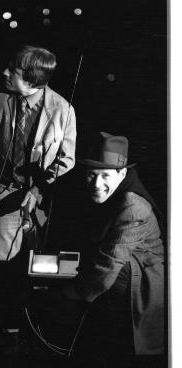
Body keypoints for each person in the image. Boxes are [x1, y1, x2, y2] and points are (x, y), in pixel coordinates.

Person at [0, 45, 76, 343]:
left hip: (41, 202)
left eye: (14, 71)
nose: (5, 73)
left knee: (38, 268)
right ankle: (9, 330)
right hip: (3, 195)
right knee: (3, 266)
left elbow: (66, 159)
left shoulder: (63, 111)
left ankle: (37, 327)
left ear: (33, 80)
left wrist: (37, 189)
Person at [64, 131, 165, 360]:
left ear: (122, 173)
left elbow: (108, 265)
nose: (96, 184)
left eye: (105, 176)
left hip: (144, 281)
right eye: (91, 175)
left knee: (112, 273)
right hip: (119, 273)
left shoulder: (132, 207)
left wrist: (72, 292)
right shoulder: (106, 195)